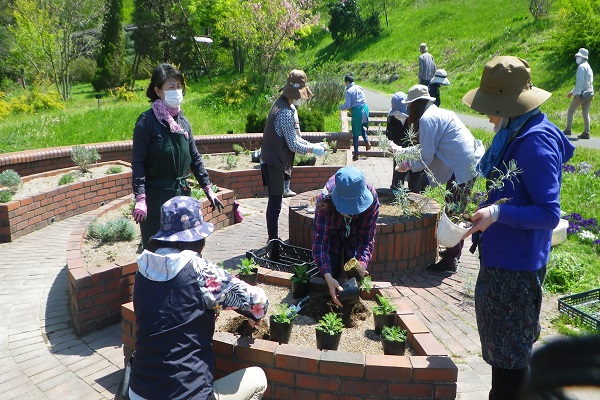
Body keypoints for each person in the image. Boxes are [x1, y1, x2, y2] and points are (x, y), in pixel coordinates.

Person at [462, 56, 575, 400]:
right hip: (504, 264)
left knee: (510, 370)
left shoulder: (535, 141)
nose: (487, 114)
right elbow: (514, 191)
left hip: (516, 271)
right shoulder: (516, 130)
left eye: (491, 107)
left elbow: (548, 213)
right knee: (506, 362)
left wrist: (497, 213)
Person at [129, 196, 269, 400]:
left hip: (139, 391)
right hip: (186, 394)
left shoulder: (142, 270)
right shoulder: (200, 271)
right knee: (258, 379)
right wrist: (252, 315)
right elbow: (259, 302)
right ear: (196, 238)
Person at [391, 84, 484, 273]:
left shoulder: (427, 119)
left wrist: (406, 165)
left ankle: (450, 261)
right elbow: (426, 149)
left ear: (416, 105)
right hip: (464, 165)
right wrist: (402, 152)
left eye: (409, 106)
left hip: (461, 169)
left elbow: (426, 156)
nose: (408, 111)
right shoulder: (437, 113)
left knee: (453, 212)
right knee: (454, 209)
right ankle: (453, 252)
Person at [131, 63, 224, 250]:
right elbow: (138, 162)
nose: (177, 91)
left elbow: (194, 157)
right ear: (158, 91)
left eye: (179, 86)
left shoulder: (182, 122)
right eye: (171, 87)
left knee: (184, 251)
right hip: (156, 199)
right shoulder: (147, 122)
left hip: (180, 198)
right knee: (158, 253)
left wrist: (208, 188)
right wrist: (140, 198)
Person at [261, 69, 327, 242]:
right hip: (273, 160)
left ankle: (272, 238)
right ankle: (273, 239)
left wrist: (312, 145)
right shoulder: (284, 112)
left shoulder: (283, 104)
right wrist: (313, 150)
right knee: (275, 202)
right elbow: (293, 144)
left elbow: (295, 138)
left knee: (276, 200)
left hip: (273, 158)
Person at [312, 166, 379, 307]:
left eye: (356, 208)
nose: (352, 213)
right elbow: (320, 242)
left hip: (355, 232)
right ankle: (329, 295)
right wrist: (328, 276)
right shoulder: (324, 201)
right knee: (332, 267)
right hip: (333, 234)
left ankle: (349, 304)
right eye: (348, 209)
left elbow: (366, 239)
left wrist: (361, 264)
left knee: (354, 273)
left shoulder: (371, 198)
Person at [385, 91, 424, 192]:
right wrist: (391, 145)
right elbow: (389, 135)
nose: (398, 116)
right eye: (396, 114)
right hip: (399, 153)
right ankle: (396, 197)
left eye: (400, 114)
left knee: (415, 184)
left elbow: (419, 138)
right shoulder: (391, 117)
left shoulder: (415, 117)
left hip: (414, 153)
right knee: (397, 183)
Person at [339, 74, 371, 161]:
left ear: (347, 82)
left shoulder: (349, 91)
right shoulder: (360, 87)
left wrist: (340, 107)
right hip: (365, 108)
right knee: (360, 127)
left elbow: (348, 105)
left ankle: (356, 154)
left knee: (355, 133)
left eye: (345, 83)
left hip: (357, 111)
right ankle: (367, 141)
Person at [563, 48, 594, 139]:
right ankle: (586, 132)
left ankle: (568, 129)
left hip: (582, 94)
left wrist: (576, 94)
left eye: (578, 56)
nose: (577, 57)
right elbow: (586, 82)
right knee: (585, 113)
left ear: (583, 57)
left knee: (570, 110)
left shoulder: (581, 67)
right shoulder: (588, 66)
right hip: (590, 93)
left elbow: (579, 82)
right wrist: (572, 92)